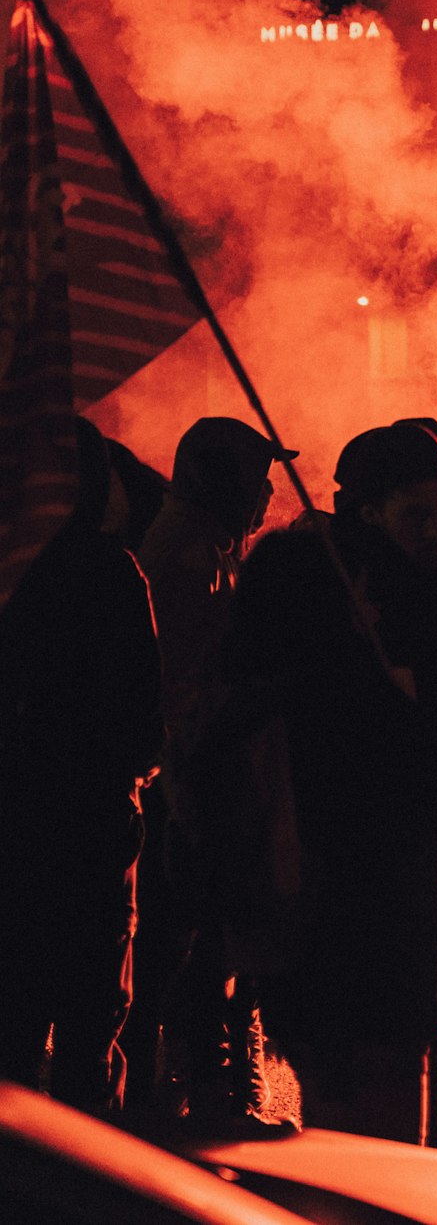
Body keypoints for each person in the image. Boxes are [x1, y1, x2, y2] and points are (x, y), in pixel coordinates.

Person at [228, 423, 437, 1143]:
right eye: (412, 513)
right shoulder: (333, 597)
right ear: (366, 516)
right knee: (371, 1076)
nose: (435, 528)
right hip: (363, 872)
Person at [134, 415, 296, 1133]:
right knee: (197, 944)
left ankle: (210, 1089)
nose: (268, 493)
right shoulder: (192, 555)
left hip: (201, 773)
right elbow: (188, 684)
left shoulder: (212, 544)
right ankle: (205, 1095)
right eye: (258, 477)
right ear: (223, 480)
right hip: (190, 778)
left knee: (207, 940)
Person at [0, 417, 163, 1115]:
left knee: (11, 1022)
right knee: (89, 1029)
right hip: (94, 831)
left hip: (15, 829)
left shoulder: (11, 569)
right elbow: (144, 730)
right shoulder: (112, 572)